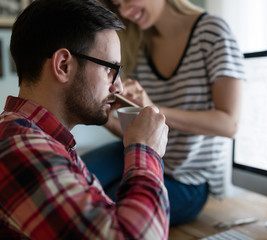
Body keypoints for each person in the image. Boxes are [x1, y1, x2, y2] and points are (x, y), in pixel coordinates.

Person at [0, 0, 170, 239]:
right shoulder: (21, 148)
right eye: (110, 69)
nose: (118, 86)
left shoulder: (46, 141)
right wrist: (145, 150)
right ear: (63, 65)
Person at [83, 0, 245, 226]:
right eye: (119, 4)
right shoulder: (136, 41)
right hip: (138, 151)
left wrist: (153, 110)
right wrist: (100, 114)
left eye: (128, 0)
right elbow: (136, 133)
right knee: (73, 180)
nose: (125, 12)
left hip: (187, 178)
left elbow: (230, 124)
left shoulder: (213, 32)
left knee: (104, 208)